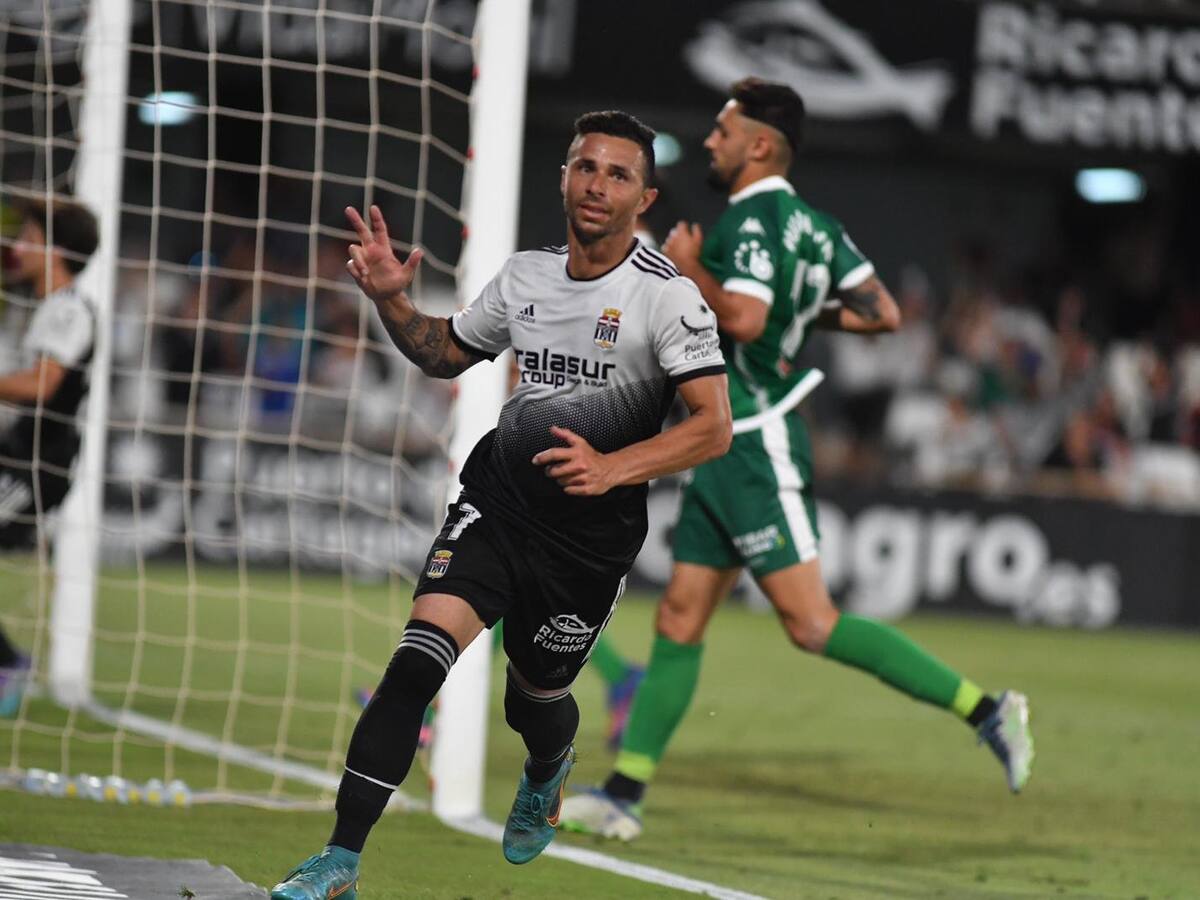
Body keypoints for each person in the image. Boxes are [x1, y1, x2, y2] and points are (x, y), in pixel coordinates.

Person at [559, 79, 1034, 842]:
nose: (710, 140)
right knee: (680, 616)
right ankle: (624, 793)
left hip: (753, 437)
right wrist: (795, 313)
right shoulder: (815, 224)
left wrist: (692, 269)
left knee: (811, 623)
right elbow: (881, 312)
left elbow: (745, 319)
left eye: (723, 130)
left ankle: (986, 709)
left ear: (759, 145)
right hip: (720, 442)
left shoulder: (750, 218)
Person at [271, 110, 730, 899]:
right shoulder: (526, 275)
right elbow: (446, 352)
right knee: (414, 665)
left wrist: (612, 466)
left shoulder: (667, 296)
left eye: (618, 174)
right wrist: (392, 301)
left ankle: (548, 768)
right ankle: (340, 860)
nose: (598, 184)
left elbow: (713, 426)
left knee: (534, 700)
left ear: (644, 198)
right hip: (498, 505)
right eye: (586, 167)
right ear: (564, 177)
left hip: (588, 542)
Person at [0, 196, 100, 716]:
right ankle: (8, 661)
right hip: (18, 455)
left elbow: (42, 385)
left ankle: (9, 662)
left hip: (39, 464)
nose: (18, 247)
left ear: (56, 251)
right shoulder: (43, 306)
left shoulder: (68, 309)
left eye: (30, 238)